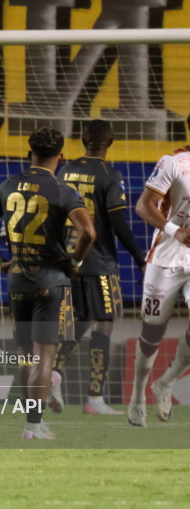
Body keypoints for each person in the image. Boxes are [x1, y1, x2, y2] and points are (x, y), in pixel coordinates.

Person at [0, 126, 96, 440]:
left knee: (26, 355)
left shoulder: (6, 185)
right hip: (51, 281)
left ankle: (30, 423)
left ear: (30, 154)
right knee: (44, 357)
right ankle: (34, 425)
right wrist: (76, 263)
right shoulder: (62, 190)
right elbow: (89, 232)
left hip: (17, 281)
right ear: (62, 157)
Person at [49, 119, 146, 416]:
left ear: (81, 139)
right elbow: (117, 223)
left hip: (70, 259)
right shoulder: (109, 174)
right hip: (100, 261)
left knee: (80, 321)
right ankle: (95, 398)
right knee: (103, 325)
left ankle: (54, 373)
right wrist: (141, 258)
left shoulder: (65, 170)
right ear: (111, 141)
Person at [127, 138, 190, 428]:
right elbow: (144, 206)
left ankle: (165, 383)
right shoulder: (173, 163)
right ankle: (138, 394)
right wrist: (175, 231)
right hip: (166, 258)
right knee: (152, 332)